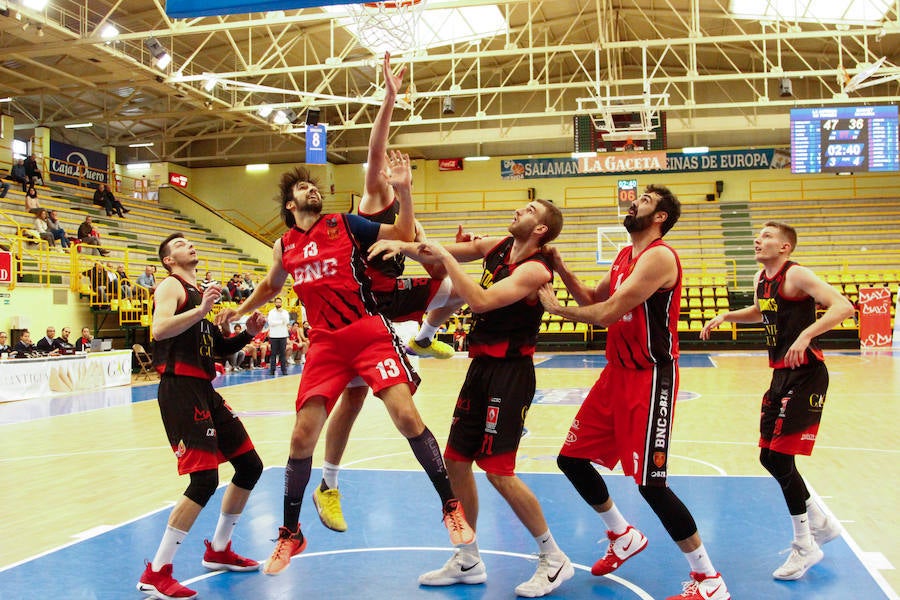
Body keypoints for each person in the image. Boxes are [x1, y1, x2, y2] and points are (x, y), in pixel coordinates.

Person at [214, 153, 474, 577]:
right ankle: (291, 533)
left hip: (367, 332)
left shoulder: (344, 223)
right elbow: (271, 285)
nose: (312, 190)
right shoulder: (283, 245)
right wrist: (240, 311)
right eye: (303, 188)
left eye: (314, 186)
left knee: (407, 417)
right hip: (325, 345)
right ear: (290, 205)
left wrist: (404, 190)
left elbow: (402, 233)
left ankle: (450, 507)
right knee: (301, 437)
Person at [369, 199, 572, 597]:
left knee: (498, 471)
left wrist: (446, 258)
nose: (519, 210)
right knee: (457, 462)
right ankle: (467, 557)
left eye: (530, 210)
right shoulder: (497, 246)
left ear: (540, 229)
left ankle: (554, 557)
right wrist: (402, 246)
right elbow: (438, 252)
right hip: (480, 367)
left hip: (510, 373)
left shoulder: (535, 270)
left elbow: (479, 300)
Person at [537, 185, 730, 600]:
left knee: (651, 484)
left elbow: (606, 313)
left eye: (644, 200)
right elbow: (592, 298)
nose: (634, 202)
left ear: (660, 217)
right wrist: (562, 267)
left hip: (650, 376)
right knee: (571, 459)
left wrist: (557, 310)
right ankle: (622, 534)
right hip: (616, 375)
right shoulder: (625, 255)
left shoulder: (659, 257)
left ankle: (709, 580)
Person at [310, 53, 464, 534]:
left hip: (391, 299)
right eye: (388, 172)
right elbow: (376, 148)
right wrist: (389, 99)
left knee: (456, 283)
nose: (388, 172)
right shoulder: (374, 198)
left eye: (399, 175)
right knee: (353, 401)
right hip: (362, 303)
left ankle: (423, 337)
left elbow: (430, 261)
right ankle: (328, 484)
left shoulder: (406, 213)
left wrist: (438, 244)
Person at [700, 221, 851, 581]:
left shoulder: (796, 274)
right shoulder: (760, 278)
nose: (758, 239)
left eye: (767, 236)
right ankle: (820, 522)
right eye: (758, 235)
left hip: (807, 373)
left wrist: (806, 335)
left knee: (781, 457)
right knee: (768, 456)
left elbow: (843, 306)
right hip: (781, 373)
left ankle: (805, 545)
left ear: (785, 247)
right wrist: (726, 315)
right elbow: (760, 311)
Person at [137, 232, 267, 600]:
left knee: (250, 466)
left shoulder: (200, 295)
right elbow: (160, 328)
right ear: (168, 260)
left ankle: (219, 549)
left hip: (204, 389)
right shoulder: (171, 286)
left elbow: (217, 349)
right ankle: (156, 571)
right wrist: (201, 310)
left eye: (189, 242)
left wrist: (247, 334)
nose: (189, 245)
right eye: (179, 245)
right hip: (180, 390)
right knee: (204, 480)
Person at [266, 297, 290, 376]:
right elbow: (270, 323)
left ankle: (284, 370)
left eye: (280, 302)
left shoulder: (285, 312)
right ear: (275, 303)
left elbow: (286, 321)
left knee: (283, 354)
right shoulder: (271, 312)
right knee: (273, 354)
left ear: (281, 303)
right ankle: (272, 370)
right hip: (274, 335)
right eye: (277, 302)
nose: (278, 303)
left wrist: (281, 314)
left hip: (283, 335)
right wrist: (280, 322)